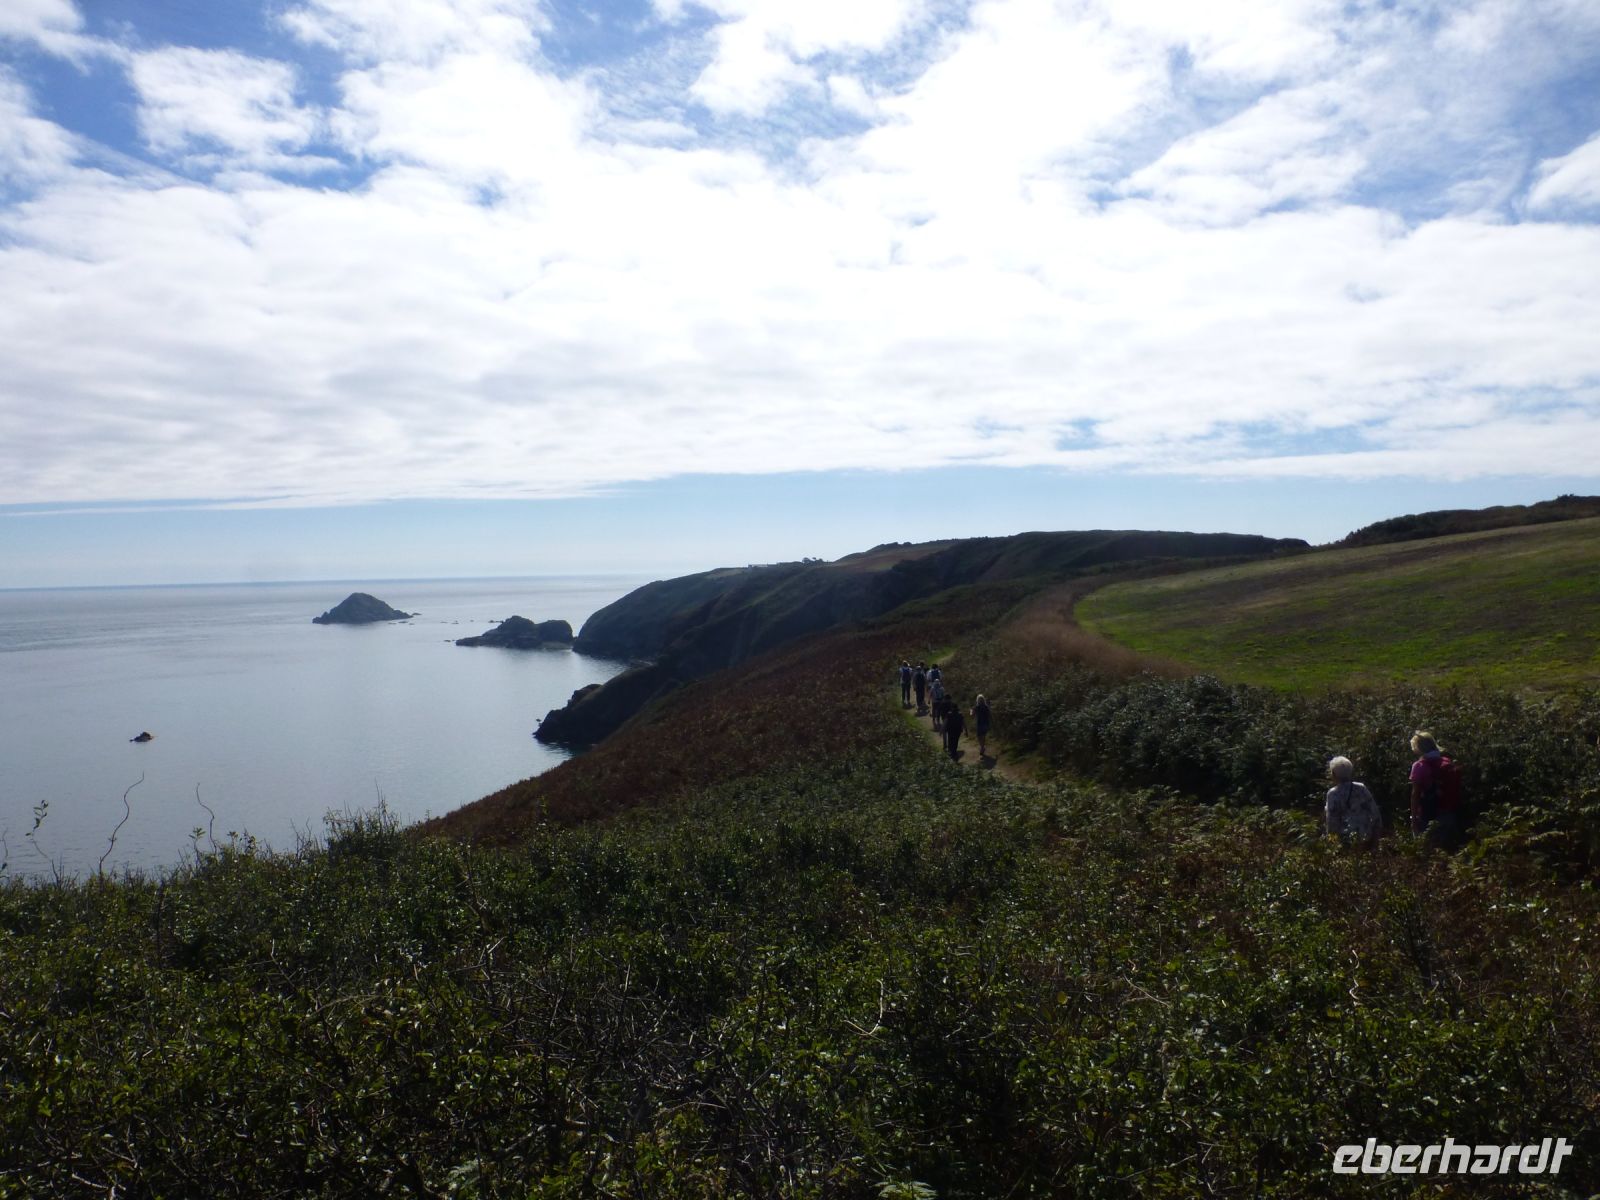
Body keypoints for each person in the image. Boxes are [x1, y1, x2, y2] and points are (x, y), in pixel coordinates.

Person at [1409, 730, 1463, 849]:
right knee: (1448, 849)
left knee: (1427, 849)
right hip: (1448, 812)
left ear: (1418, 748)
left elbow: (1415, 794)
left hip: (1427, 814)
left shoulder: (1419, 766)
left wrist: (1414, 819)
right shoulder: (1446, 761)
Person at [1324, 756, 1380, 845]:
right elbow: (1374, 812)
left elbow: (1331, 821)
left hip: (1345, 840)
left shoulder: (1333, 794)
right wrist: (1376, 835)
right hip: (1365, 837)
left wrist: (1331, 842)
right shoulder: (1361, 788)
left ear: (1334, 774)